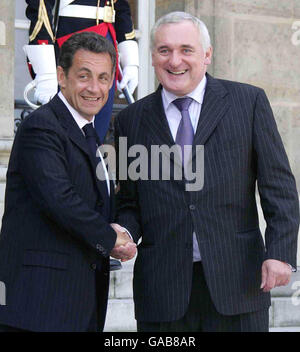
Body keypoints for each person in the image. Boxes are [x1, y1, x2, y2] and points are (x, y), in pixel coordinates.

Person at [114, 12, 299, 332]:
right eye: (164, 50)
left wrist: (280, 253)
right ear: (152, 56)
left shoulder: (248, 102)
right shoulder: (131, 120)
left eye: (186, 49)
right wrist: (123, 233)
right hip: (162, 293)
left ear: (207, 55)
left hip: (238, 284)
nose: (175, 61)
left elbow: (279, 186)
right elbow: (130, 201)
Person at [0, 32, 136, 332]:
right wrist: (112, 238)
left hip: (75, 302)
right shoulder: (42, 128)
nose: (95, 88)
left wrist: (123, 227)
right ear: (62, 76)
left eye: (103, 78)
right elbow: (61, 200)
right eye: (84, 76)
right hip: (38, 308)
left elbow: (97, 202)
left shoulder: (88, 133)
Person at [24, 0, 139, 142]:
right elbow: (41, 7)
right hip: (71, 44)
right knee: (64, 139)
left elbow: (120, 6)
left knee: (96, 137)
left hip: (106, 41)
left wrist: (130, 58)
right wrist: (46, 73)